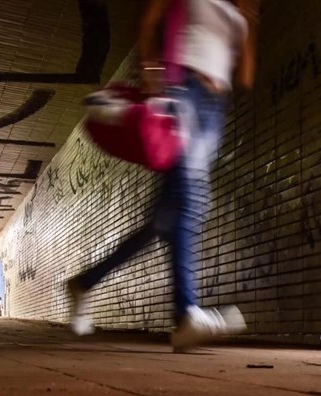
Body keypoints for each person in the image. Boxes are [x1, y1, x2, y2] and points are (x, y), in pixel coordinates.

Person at [67, 0, 259, 351]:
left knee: (163, 221)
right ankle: (186, 315)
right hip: (180, 89)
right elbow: (151, 19)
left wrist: (246, 21)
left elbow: (245, 74)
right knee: (190, 201)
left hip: (213, 107)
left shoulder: (236, 9)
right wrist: (152, 69)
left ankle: (86, 281)